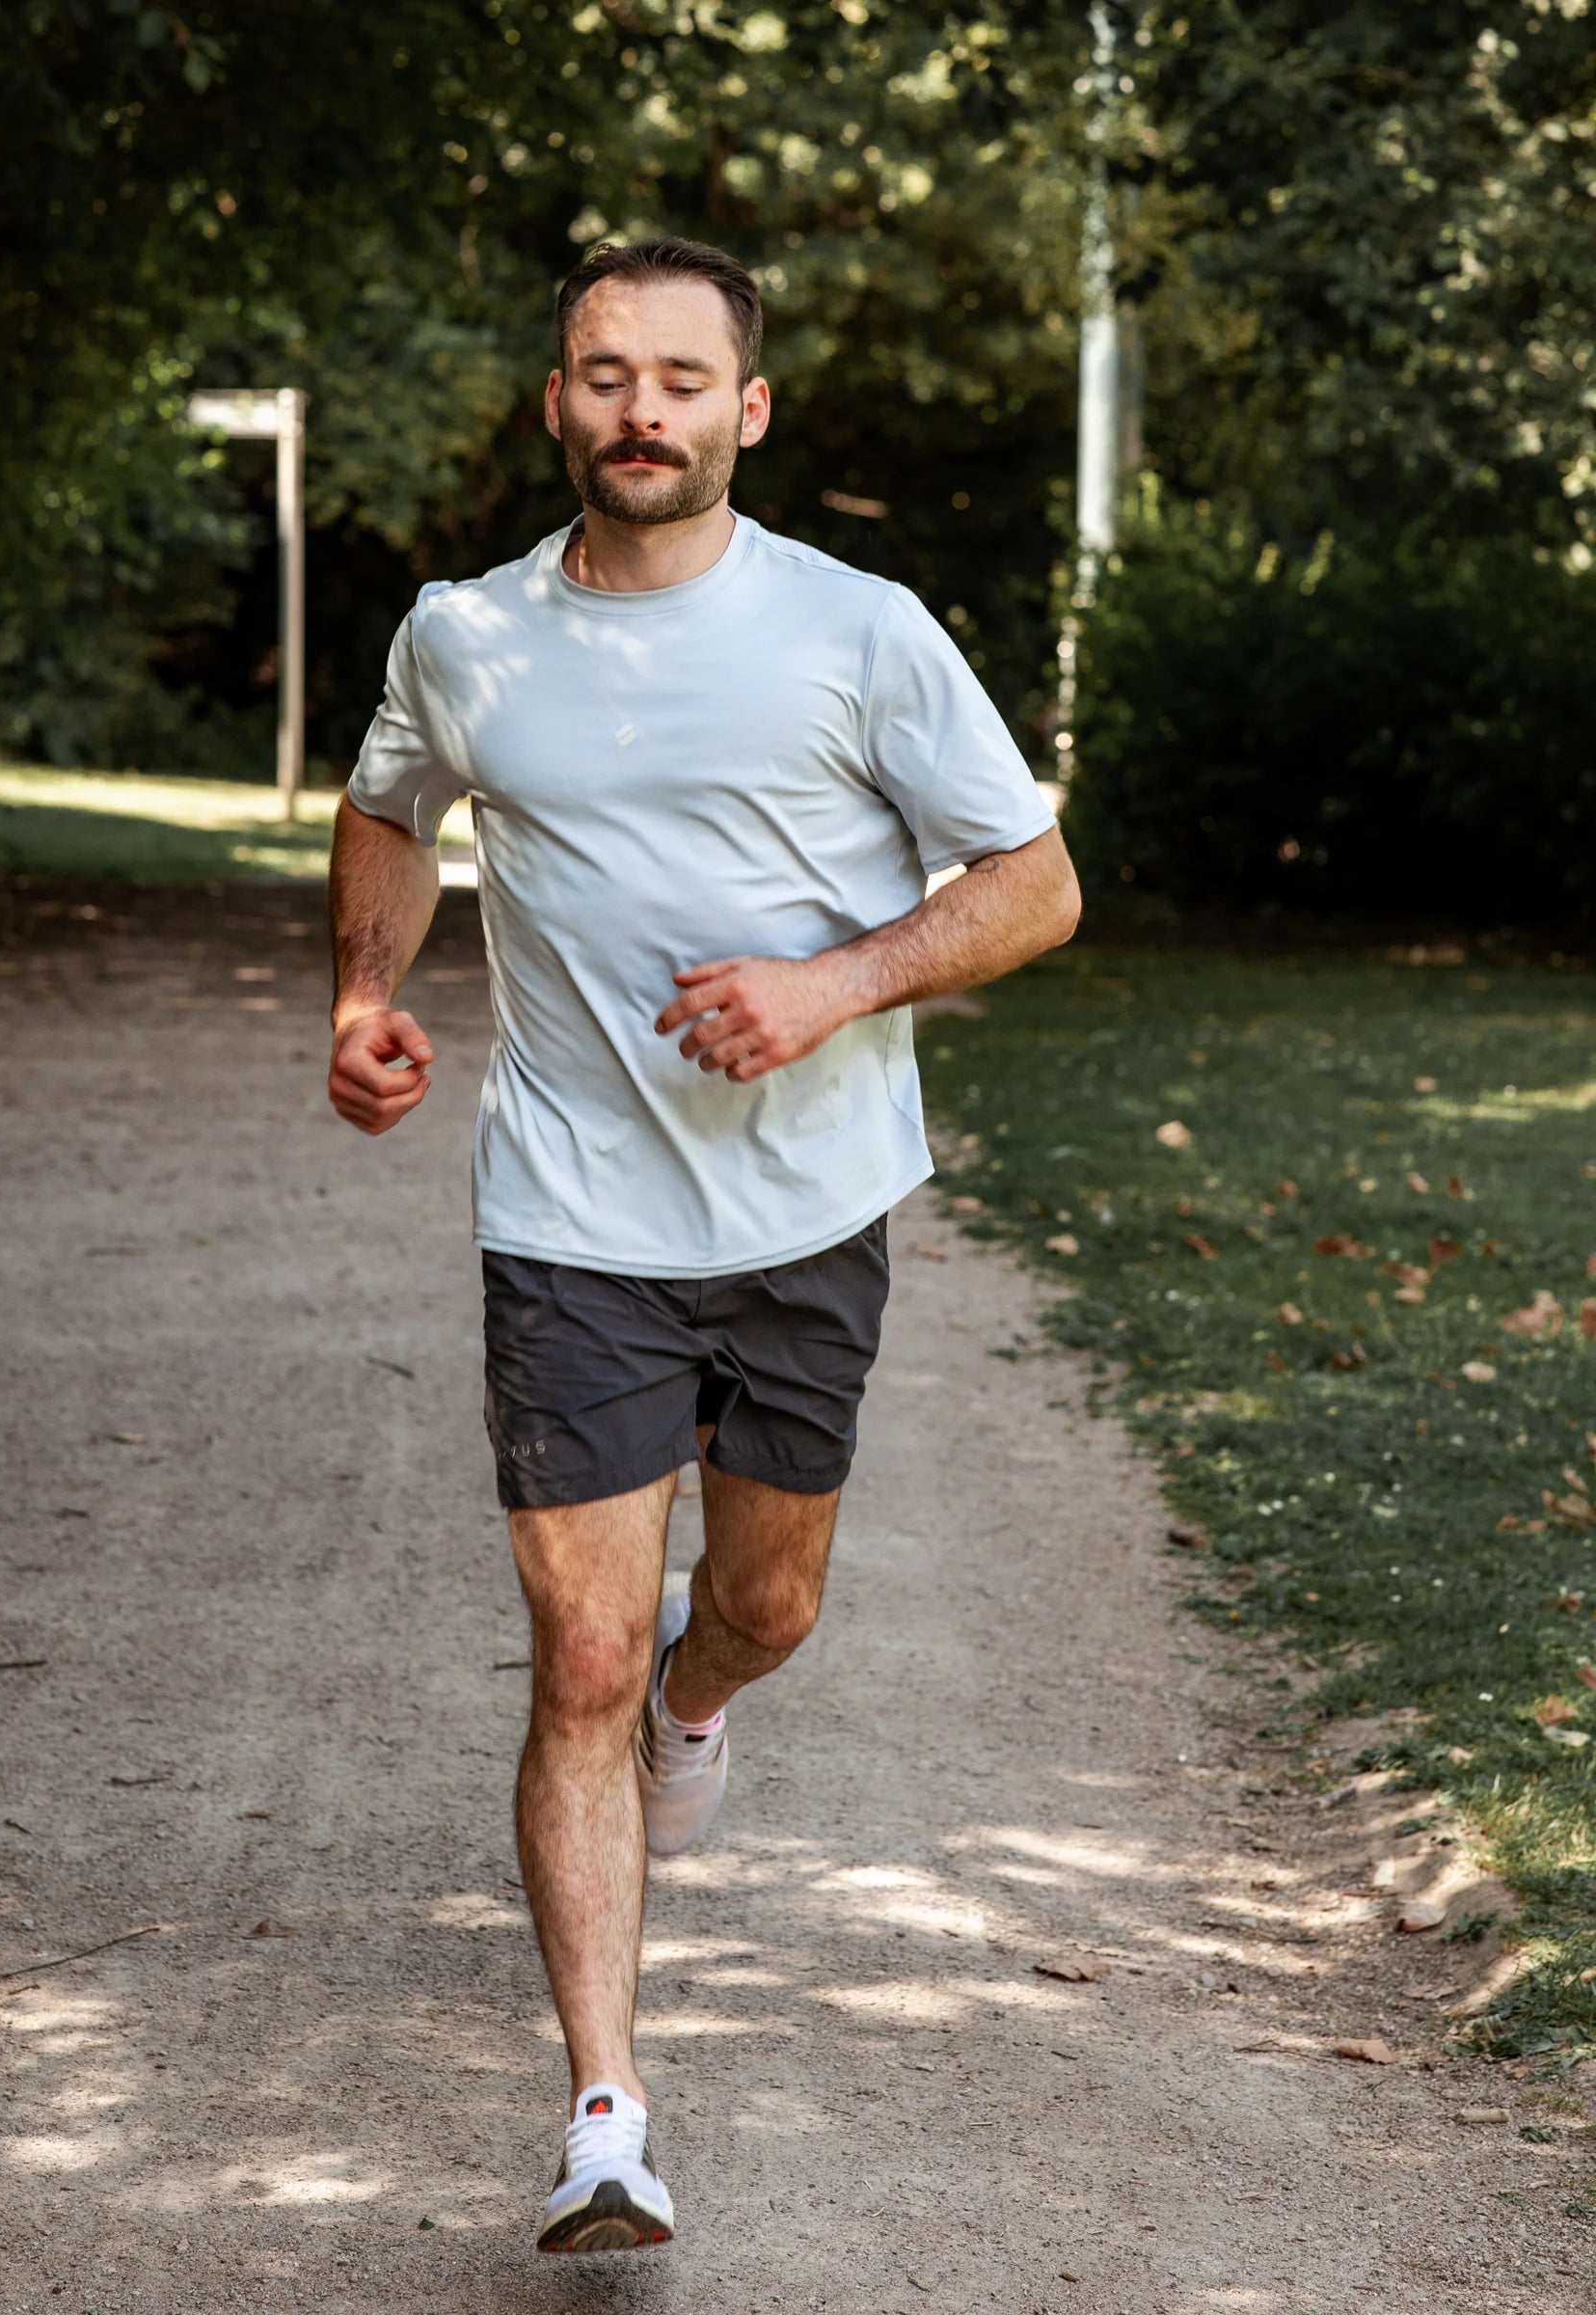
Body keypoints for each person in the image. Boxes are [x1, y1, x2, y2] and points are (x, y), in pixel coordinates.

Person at [327, 235, 1080, 2255]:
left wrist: (834, 988)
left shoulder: (857, 633)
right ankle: (604, 2118)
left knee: (763, 1610)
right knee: (578, 1644)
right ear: (555, 402)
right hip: (568, 1214)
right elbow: (391, 809)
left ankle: (700, 1706)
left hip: (806, 1211)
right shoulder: (463, 635)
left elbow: (1034, 884)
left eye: (679, 379)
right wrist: (360, 993)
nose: (637, 412)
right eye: (602, 375)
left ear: (749, 411)